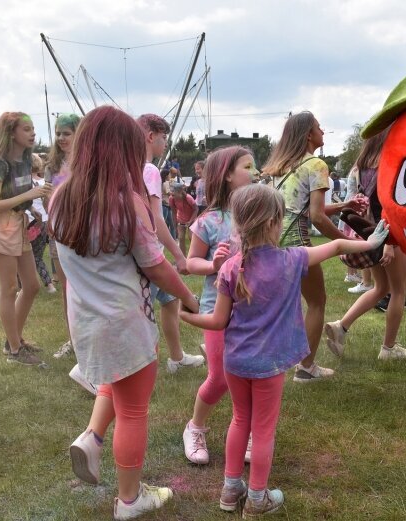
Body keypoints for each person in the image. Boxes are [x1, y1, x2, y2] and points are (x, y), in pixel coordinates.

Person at [179, 183, 388, 516]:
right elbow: (335, 246)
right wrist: (373, 241)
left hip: (235, 362)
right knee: (262, 430)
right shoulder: (293, 259)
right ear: (274, 223)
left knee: (239, 421)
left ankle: (230, 491)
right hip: (269, 365)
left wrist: (188, 317)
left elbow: (218, 322)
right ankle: (258, 498)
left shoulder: (232, 267)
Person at [53, 106, 199, 520]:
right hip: (126, 322)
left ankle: (93, 439)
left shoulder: (62, 198)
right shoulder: (127, 203)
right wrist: (189, 298)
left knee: (116, 383)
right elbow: (155, 266)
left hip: (87, 320)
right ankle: (130, 500)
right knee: (134, 410)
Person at [261, 111, 365, 382]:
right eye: (319, 127)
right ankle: (306, 369)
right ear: (309, 134)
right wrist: (347, 243)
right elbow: (316, 216)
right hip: (299, 245)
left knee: (277, 306)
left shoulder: (279, 166)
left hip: (271, 243)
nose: (322, 131)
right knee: (317, 303)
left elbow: (301, 209)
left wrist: (344, 205)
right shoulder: (316, 165)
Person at [182, 146, 254, 465]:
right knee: (221, 378)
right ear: (227, 175)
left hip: (253, 311)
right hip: (217, 312)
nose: (254, 172)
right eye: (247, 167)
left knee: (252, 373)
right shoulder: (209, 221)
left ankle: (248, 430)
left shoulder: (256, 213)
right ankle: (195, 427)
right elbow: (190, 262)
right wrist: (213, 265)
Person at [324, 127, 406, 361]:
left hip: (369, 233)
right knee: (398, 291)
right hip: (388, 233)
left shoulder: (361, 166)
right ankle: (389, 348)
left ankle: (340, 327)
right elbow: (390, 203)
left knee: (380, 288)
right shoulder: (388, 163)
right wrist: (391, 244)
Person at [136, 113, 204, 374]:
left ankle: (176, 358)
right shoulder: (149, 169)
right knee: (140, 315)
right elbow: (155, 219)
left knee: (169, 301)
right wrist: (178, 254)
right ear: (151, 136)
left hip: (145, 252)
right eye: (164, 138)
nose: (165, 144)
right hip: (150, 255)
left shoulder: (128, 168)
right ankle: (93, 373)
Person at [0, 112, 52, 366]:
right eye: (26, 129)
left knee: (32, 286)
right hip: (2, 226)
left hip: (18, 223)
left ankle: (14, 339)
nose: (33, 133)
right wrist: (31, 193)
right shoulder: (0, 164)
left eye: (33, 128)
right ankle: (14, 349)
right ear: (12, 133)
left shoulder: (24, 160)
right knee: (10, 288)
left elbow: (19, 194)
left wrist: (30, 204)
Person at [44, 114, 81, 359]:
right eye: (58, 133)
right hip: (59, 230)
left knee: (86, 287)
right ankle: (74, 340)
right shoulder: (52, 166)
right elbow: (47, 198)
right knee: (68, 288)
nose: (61, 138)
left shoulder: (88, 161)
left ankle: (89, 339)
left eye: (66, 133)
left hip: (83, 230)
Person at [27, 154, 56, 293]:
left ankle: (23, 286)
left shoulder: (22, 181)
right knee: (37, 256)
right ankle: (49, 284)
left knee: (22, 256)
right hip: (43, 221)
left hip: (28, 220)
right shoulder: (45, 182)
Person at [169, 181, 198, 257]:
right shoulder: (172, 199)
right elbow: (173, 212)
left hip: (192, 219)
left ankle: (194, 256)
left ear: (179, 192)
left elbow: (196, 209)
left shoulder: (188, 198)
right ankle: (183, 258)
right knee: (181, 238)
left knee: (191, 238)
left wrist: (190, 221)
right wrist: (175, 225)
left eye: (173, 192)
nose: (172, 194)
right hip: (181, 219)